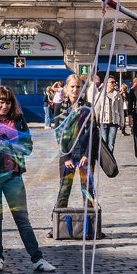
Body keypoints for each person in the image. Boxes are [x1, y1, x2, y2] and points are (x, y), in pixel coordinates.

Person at [0, 86, 55, 273]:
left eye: (8, 102)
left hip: (13, 176)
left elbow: (28, 147)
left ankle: (37, 259)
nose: (4, 105)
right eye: (1, 101)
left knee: (22, 219)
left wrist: (13, 146)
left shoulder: (19, 121)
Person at [50, 75, 95, 213]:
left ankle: (90, 224)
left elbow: (91, 133)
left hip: (84, 154)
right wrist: (66, 157)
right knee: (64, 189)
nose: (75, 89)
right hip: (66, 154)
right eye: (72, 86)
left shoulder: (87, 107)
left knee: (87, 190)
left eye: (78, 87)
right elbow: (59, 134)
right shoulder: (59, 107)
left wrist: (86, 154)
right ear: (66, 88)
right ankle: (58, 222)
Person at [92, 75, 123, 153]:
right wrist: (96, 122)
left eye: (114, 82)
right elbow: (97, 110)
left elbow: (120, 110)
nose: (114, 84)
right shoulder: (100, 95)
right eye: (112, 82)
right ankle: (106, 161)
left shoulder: (118, 95)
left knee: (111, 143)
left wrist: (122, 122)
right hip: (103, 122)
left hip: (114, 122)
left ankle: (110, 161)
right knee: (104, 143)